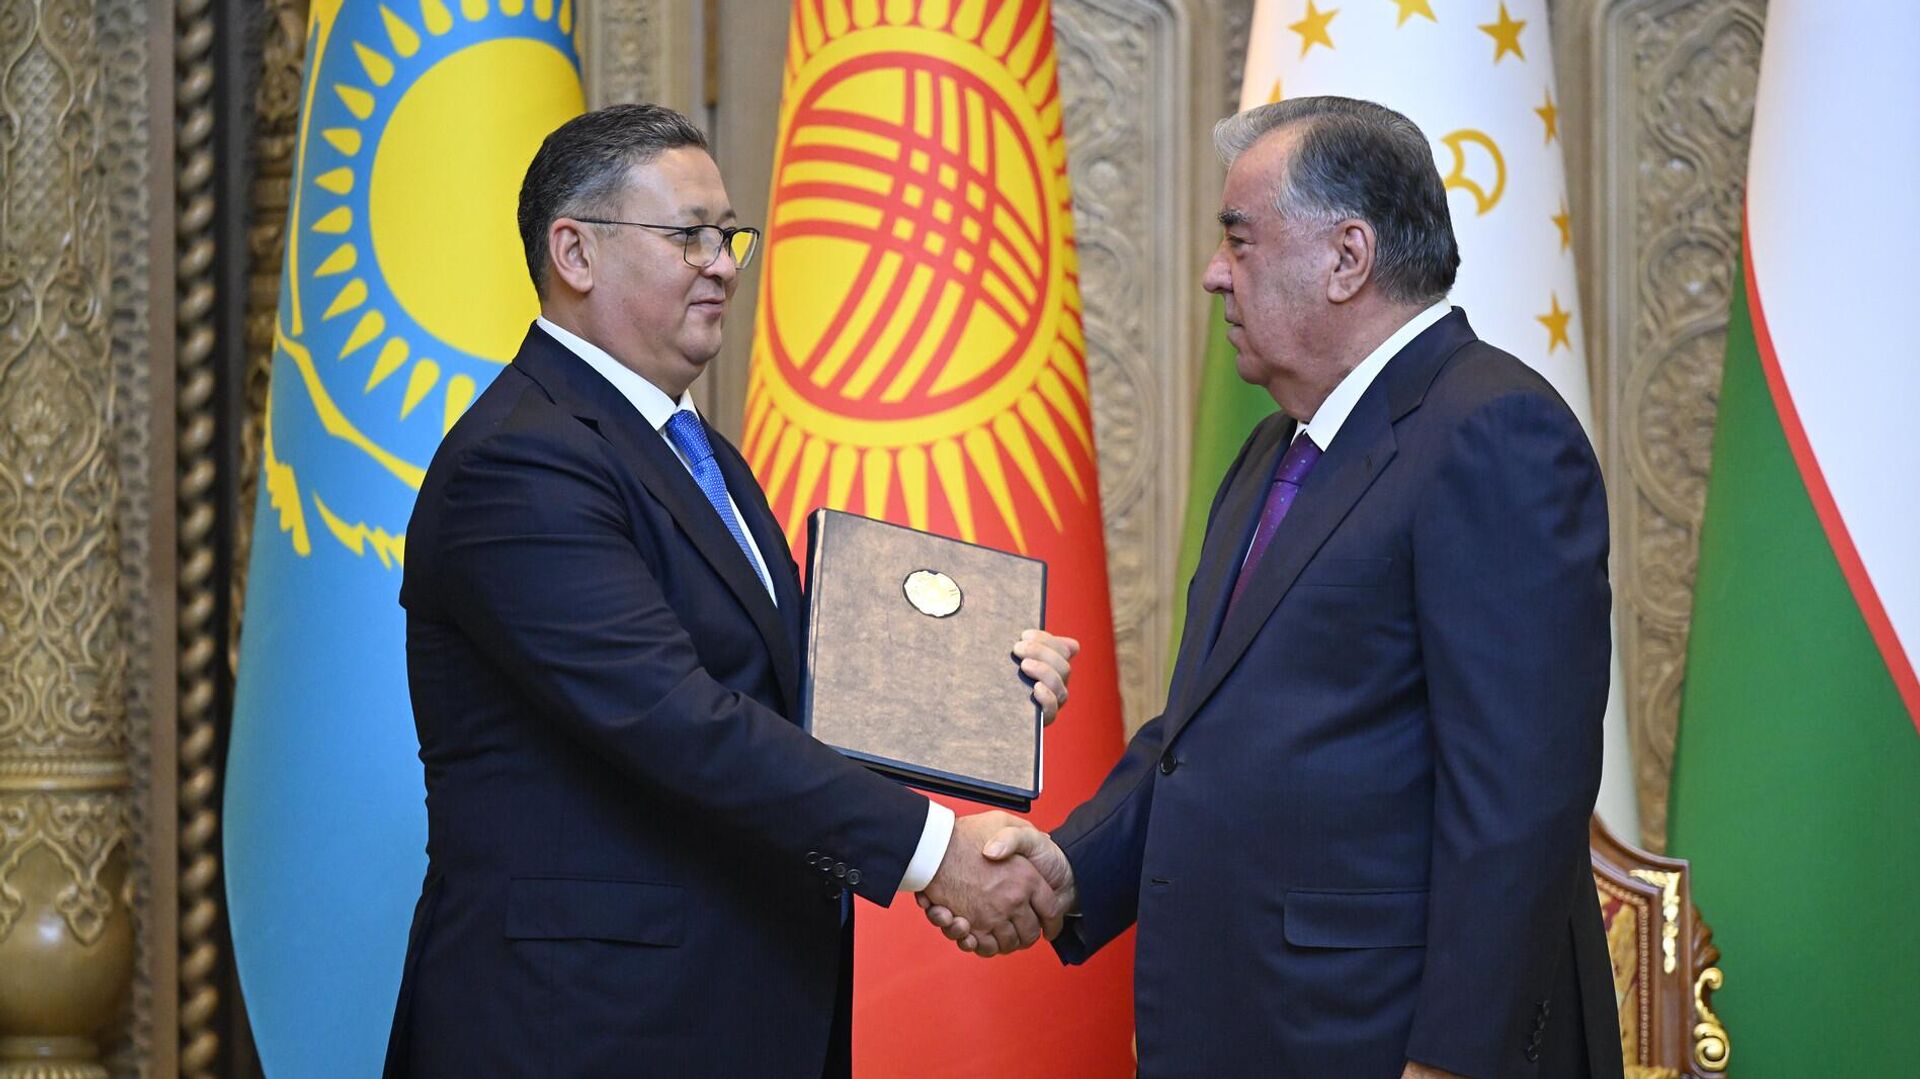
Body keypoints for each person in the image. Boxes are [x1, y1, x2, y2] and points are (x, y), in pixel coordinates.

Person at [925, 97, 1625, 1079]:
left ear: (1347, 257)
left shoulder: (1492, 430)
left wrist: (1456, 1059)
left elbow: (1521, 793)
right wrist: (1070, 865)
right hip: (1252, 1024)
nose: (1216, 271)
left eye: (1240, 239)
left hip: (1384, 1037)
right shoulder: (1274, 450)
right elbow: (1201, 734)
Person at [384, 103, 1076, 1078]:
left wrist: (986, 683)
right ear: (575, 253)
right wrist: (934, 850)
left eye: (729, 236)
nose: (722, 264)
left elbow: (779, 686)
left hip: (723, 1010)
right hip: (579, 1029)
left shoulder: (695, 451)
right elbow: (677, 718)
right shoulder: (520, 461)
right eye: (689, 236)